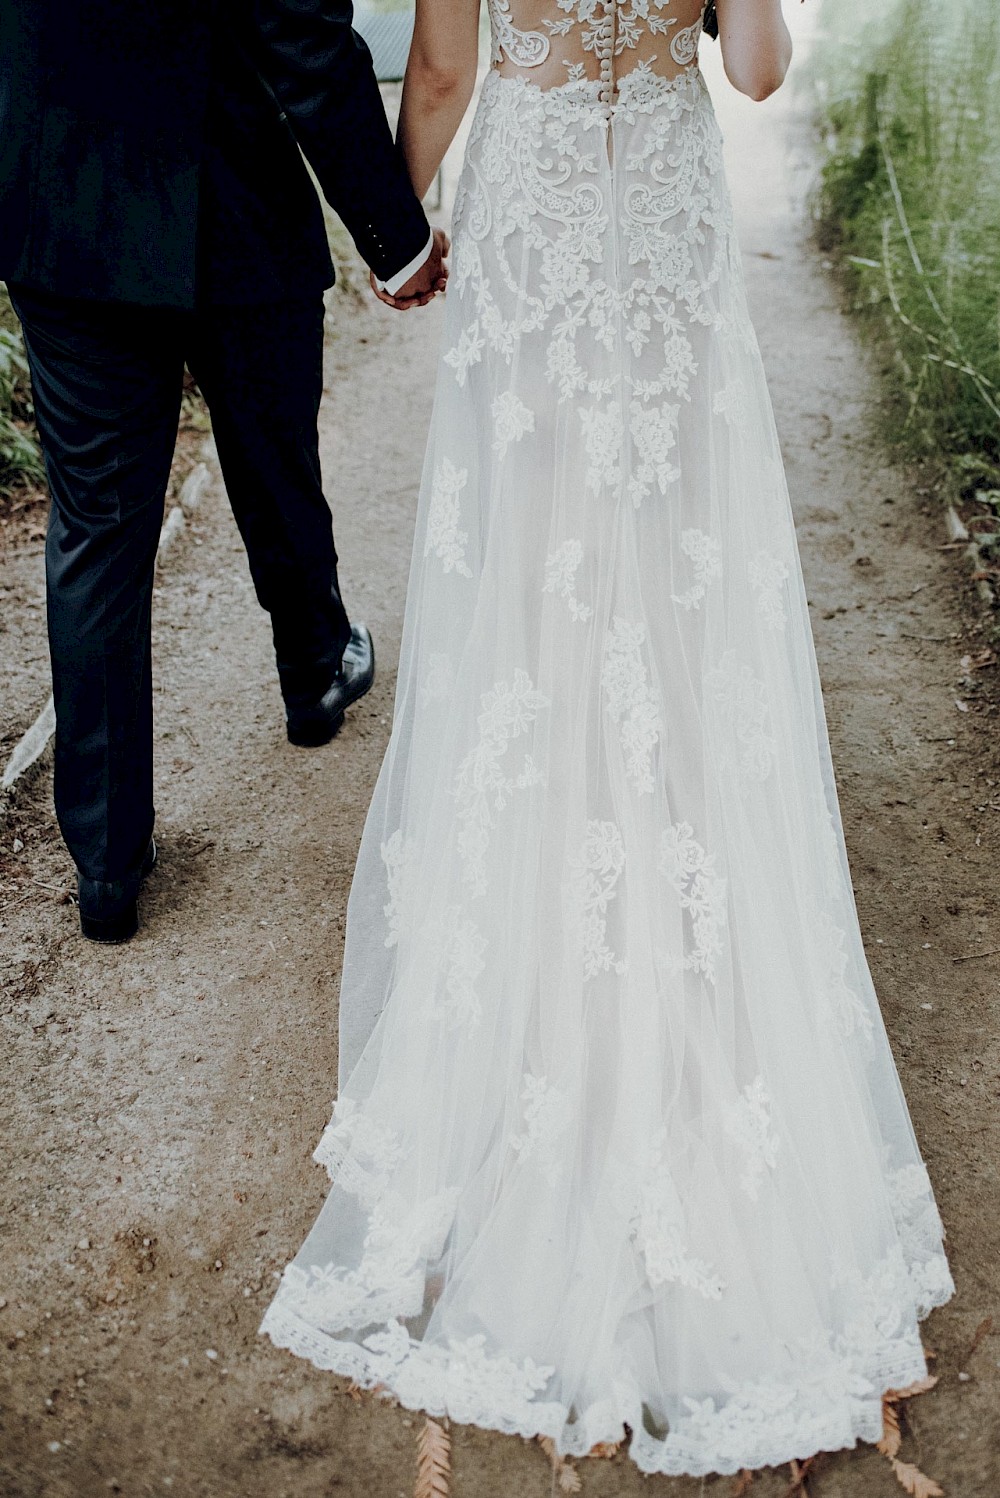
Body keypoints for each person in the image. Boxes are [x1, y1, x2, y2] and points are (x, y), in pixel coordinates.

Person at [261, 0, 954, 1477]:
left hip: (539, 234)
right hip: (671, 246)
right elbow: (759, 70)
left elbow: (443, 71)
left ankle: (534, 959)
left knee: (537, 577)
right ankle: (679, 902)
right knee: (674, 569)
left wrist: (402, 228)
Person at [0, 0, 446, 943]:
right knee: (275, 451)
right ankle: (316, 673)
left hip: (64, 202)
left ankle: (109, 867)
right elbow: (302, 35)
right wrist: (396, 238)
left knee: (96, 525)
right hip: (230, 198)